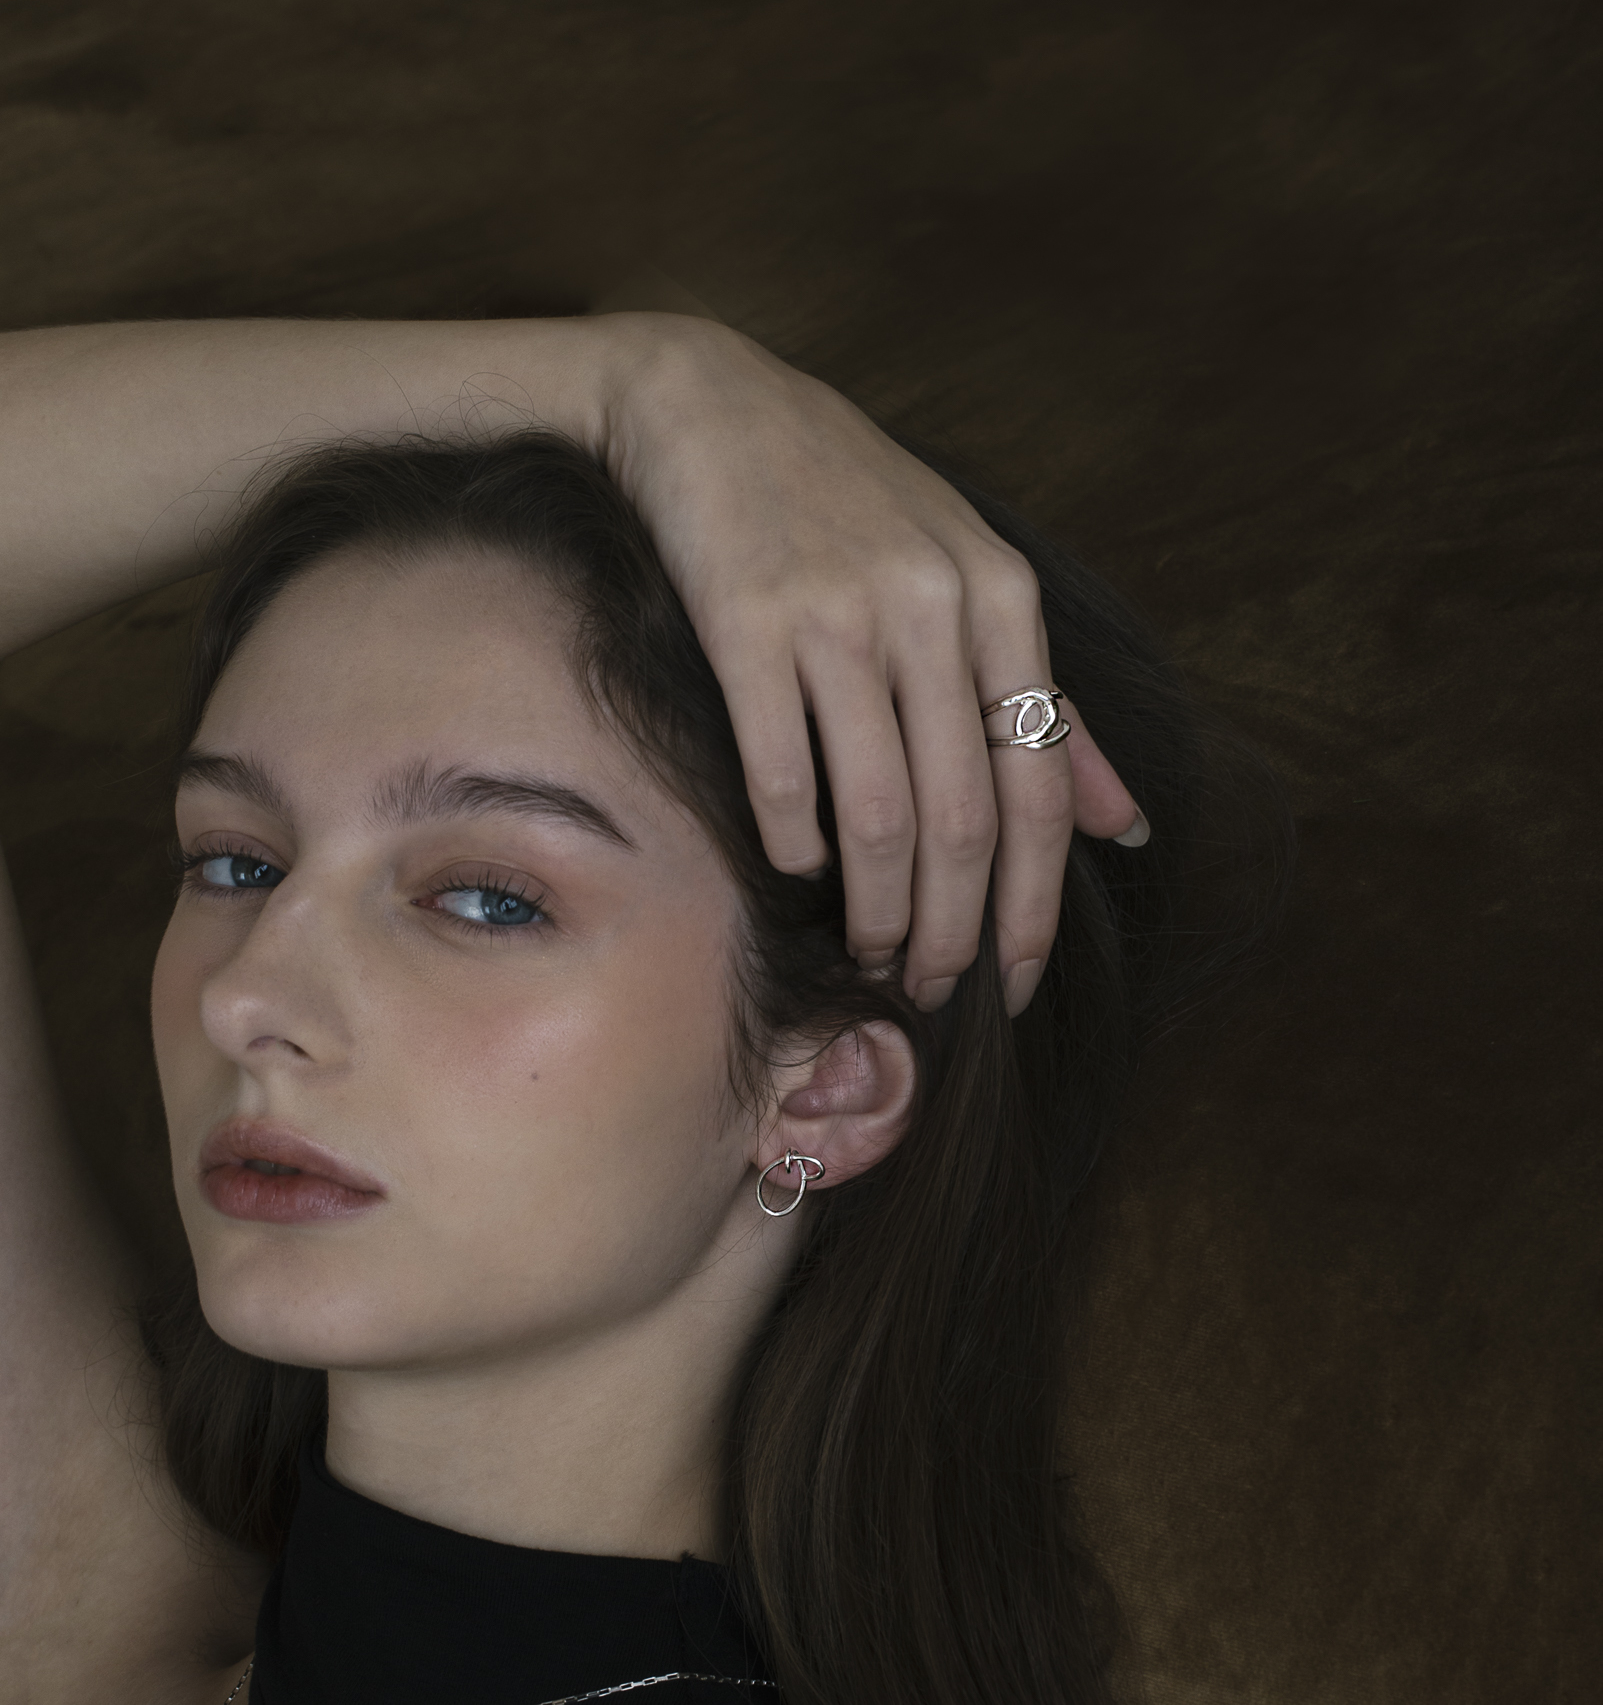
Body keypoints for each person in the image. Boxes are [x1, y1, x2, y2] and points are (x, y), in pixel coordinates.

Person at [0, 313, 1286, 1705]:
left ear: (826, 1089)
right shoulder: (97, 1606)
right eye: (235, 863)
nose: (247, 994)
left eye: (485, 899)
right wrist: (630, 381)